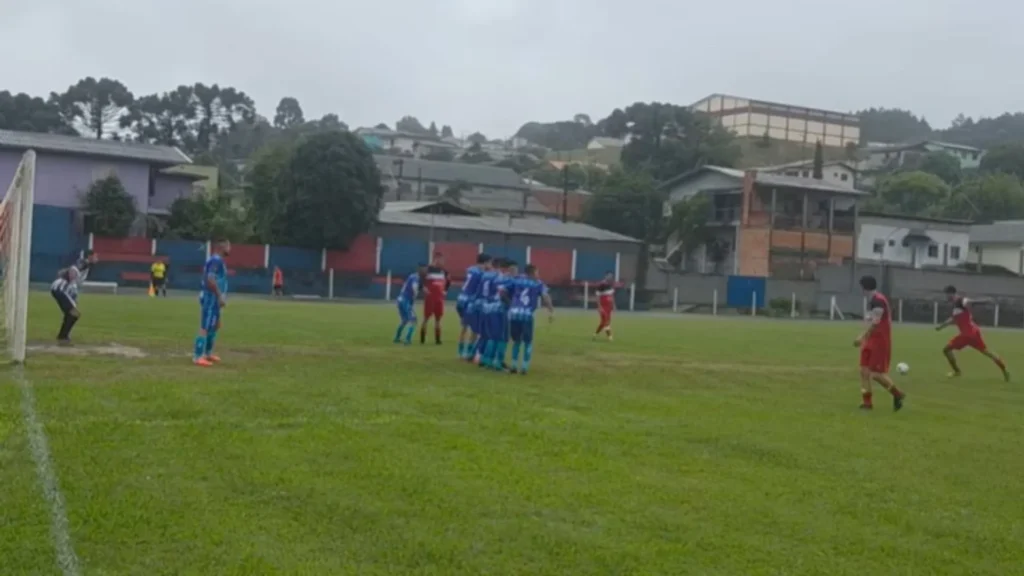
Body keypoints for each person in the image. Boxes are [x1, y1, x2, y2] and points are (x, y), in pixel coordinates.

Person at [936, 285, 1010, 381]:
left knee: (946, 350)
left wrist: (986, 301)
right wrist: (941, 327)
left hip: (967, 334)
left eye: (946, 294)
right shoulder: (955, 306)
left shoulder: (960, 301)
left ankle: (957, 372)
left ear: (951, 293)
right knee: (987, 352)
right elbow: (953, 319)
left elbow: (970, 302)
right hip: (974, 332)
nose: (945, 297)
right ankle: (1005, 371)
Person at [854, 275, 905, 411]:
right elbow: (870, 321)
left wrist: (861, 336)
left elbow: (876, 323)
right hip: (870, 340)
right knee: (864, 371)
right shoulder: (872, 300)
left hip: (880, 341)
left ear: (864, 288)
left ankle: (897, 394)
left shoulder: (879, 301)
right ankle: (867, 403)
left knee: (876, 374)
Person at [508, 264, 554, 375]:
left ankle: (513, 365)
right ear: (533, 273)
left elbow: (506, 290)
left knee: (516, 341)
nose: (538, 275)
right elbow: (545, 296)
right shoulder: (538, 283)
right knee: (528, 342)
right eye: (537, 272)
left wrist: (512, 303)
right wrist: (551, 309)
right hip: (526, 315)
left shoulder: (517, 279)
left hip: (514, 314)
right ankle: (524, 366)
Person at [194, 241, 230, 366]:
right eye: (228, 246)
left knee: (215, 325)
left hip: (214, 297)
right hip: (211, 297)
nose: (230, 248)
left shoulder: (218, 261)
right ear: (221, 247)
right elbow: (210, 279)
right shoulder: (215, 261)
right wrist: (219, 296)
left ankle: (208, 353)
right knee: (205, 326)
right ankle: (198, 356)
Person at [50, 250, 98, 345]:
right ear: (90, 256)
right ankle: (63, 337)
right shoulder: (84, 263)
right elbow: (73, 270)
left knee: (71, 314)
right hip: (61, 288)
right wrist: (72, 284)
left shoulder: (85, 265)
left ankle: (63, 336)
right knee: (74, 313)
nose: (97, 258)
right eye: (95, 256)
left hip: (61, 288)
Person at [457, 253, 491, 359]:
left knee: (464, 327)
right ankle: (469, 352)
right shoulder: (481, 274)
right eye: (489, 263)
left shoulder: (471, 269)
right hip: (470, 301)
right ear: (485, 263)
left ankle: (460, 352)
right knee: (474, 329)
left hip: (461, 298)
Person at [472, 258, 501, 365]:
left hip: (482, 305)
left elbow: (478, 290)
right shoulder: (498, 276)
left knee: (483, 332)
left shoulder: (484, 275)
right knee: (492, 333)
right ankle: (486, 358)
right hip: (492, 306)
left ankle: (476, 354)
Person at [421, 252, 450, 345]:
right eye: (439, 259)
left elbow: (448, 281)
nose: (441, 261)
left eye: (442, 259)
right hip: (430, 297)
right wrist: (423, 288)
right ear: (435, 259)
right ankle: (422, 339)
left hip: (439, 298)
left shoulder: (444, 272)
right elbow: (420, 278)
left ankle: (438, 340)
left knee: (438, 319)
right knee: (426, 318)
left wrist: (445, 290)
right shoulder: (429, 269)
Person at [394, 264, 425, 345]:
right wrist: (416, 293)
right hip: (405, 301)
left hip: (400, 299)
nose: (425, 271)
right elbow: (414, 287)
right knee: (413, 320)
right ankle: (407, 340)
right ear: (420, 270)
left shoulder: (412, 276)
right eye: (424, 270)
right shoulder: (416, 277)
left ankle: (397, 338)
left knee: (404, 320)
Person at [594, 271, 615, 341]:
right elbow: (597, 295)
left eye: (611, 276)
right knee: (606, 321)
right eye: (608, 275)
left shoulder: (611, 284)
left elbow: (611, 296)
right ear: (605, 276)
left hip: (609, 306)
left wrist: (613, 305)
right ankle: (610, 337)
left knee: (603, 322)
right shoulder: (601, 284)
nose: (610, 277)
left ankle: (595, 334)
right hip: (603, 306)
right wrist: (599, 306)